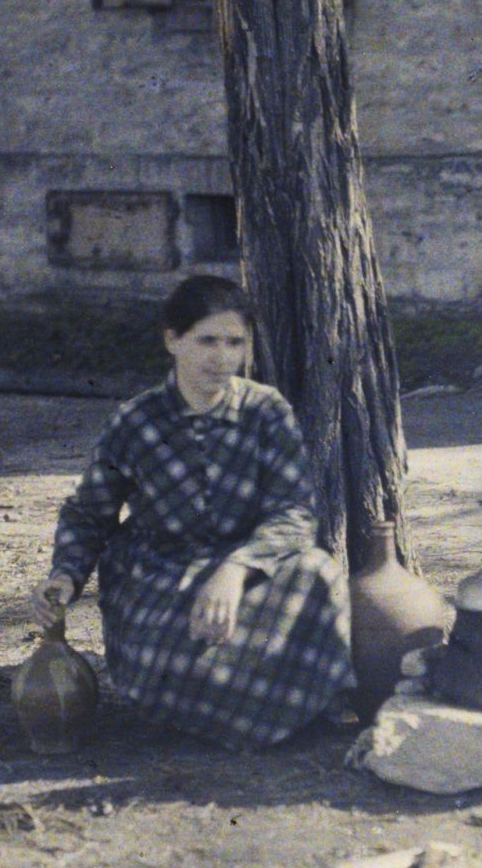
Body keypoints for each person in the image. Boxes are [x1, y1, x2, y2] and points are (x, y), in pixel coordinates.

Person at [31, 276, 355, 748]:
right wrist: (65, 576)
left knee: (317, 572)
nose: (221, 357)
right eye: (206, 340)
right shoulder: (136, 420)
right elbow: (89, 513)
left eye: (234, 342)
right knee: (176, 652)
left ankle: (280, 709)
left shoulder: (266, 412)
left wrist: (236, 568)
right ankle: (220, 710)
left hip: (247, 566)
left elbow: (294, 511)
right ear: (173, 340)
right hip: (159, 574)